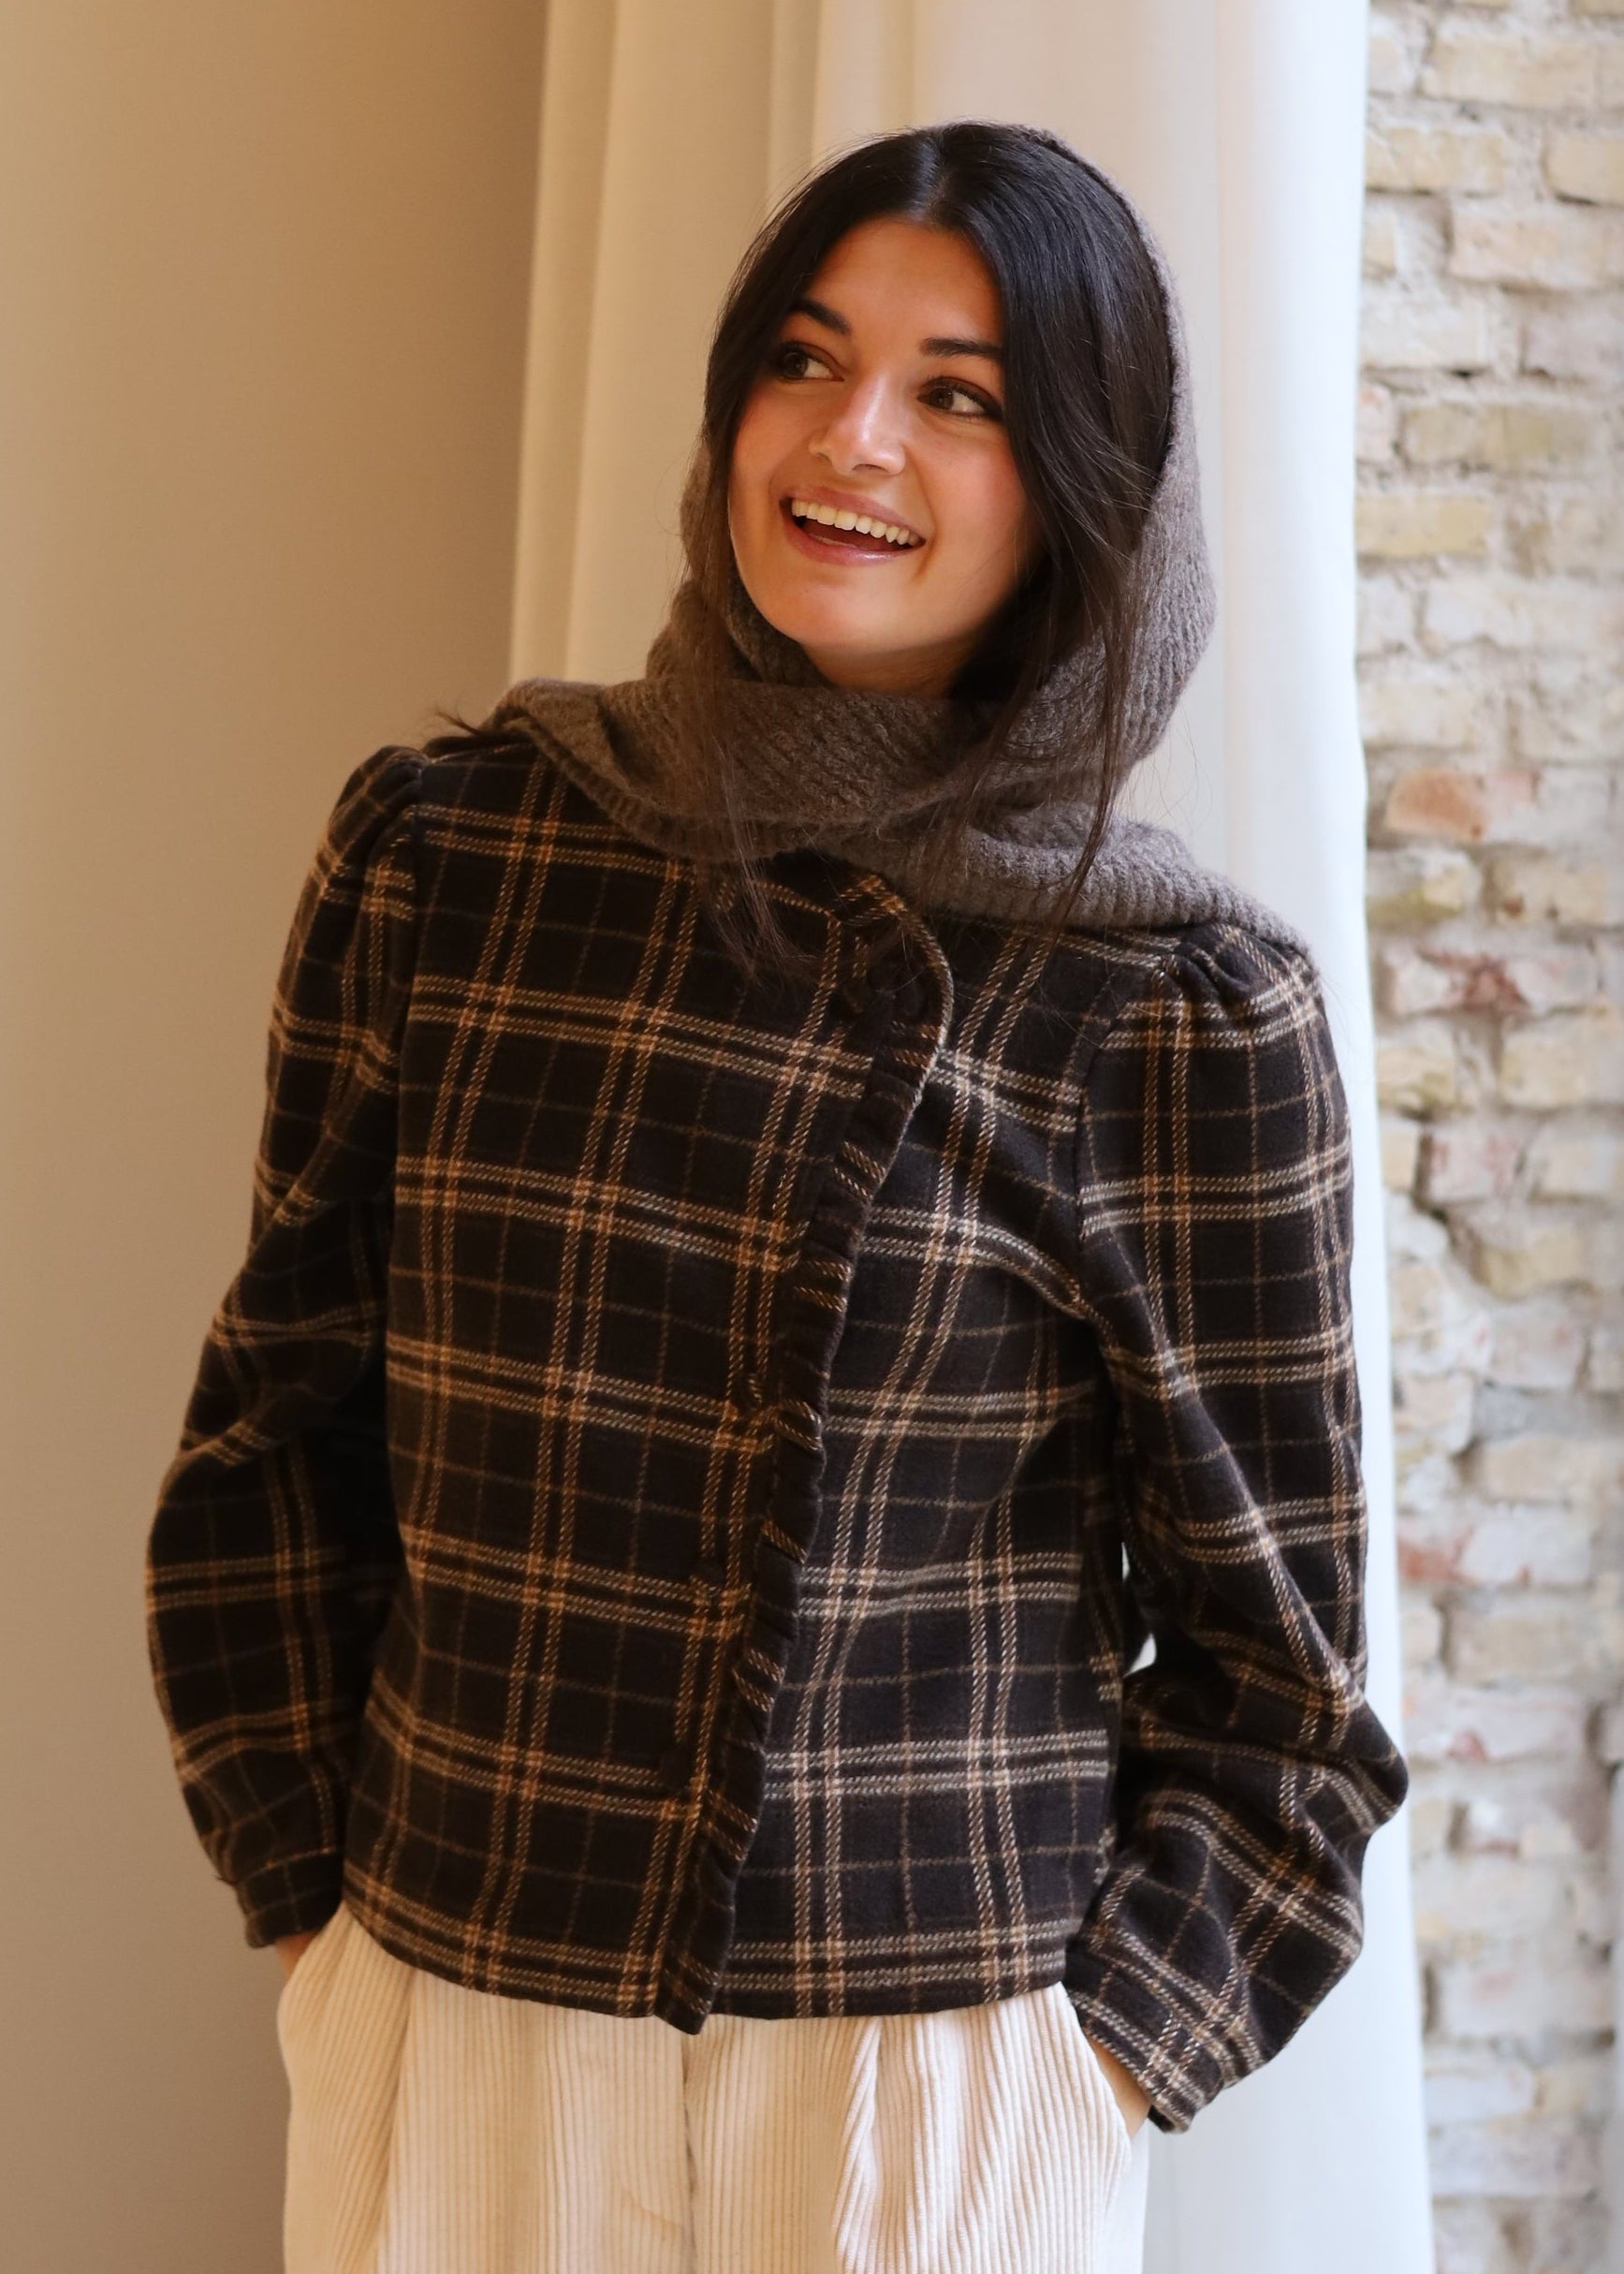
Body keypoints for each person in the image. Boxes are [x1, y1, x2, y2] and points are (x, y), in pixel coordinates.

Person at [145, 120, 1410, 2274]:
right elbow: (276, 1443)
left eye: (958, 395)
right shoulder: (454, 855)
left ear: (1082, 485)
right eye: (804, 363)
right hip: (458, 2026)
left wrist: (1085, 2070)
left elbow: (1279, 1690)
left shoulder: (1176, 1007)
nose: (853, 440)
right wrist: (321, 1929)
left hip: (930, 2105)